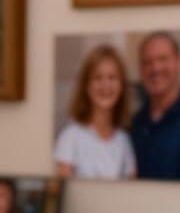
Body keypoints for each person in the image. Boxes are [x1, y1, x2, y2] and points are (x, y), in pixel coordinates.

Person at [129, 32, 180, 181]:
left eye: (163, 59)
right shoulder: (135, 122)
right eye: (148, 62)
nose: (155, 68)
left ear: (178, 62)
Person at [54, 45, 137, 180]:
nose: (105, 85)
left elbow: (131, 194)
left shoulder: (124, 141)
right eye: (97, 78)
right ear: (86, 86)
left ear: (121, 86)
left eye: (112, 77)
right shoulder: (70, 137)